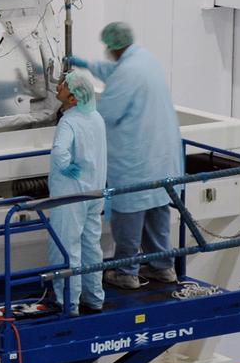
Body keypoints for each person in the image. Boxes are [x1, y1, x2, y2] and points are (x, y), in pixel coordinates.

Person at [67, 22, 183, 289]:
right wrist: (86, 65)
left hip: (135, 161)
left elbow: (106, 113)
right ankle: (163, 267)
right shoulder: (144, 60)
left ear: (113, 46)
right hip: (161, 158)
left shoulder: (128, 72)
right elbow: (114, 72)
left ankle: (126, 272)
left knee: (129, 217)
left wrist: (75, 115)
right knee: (157, 213)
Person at [47, 72, 107, 315]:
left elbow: (59, 151)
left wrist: (65, 167)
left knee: (66, 247)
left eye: (64, 85)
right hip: (95, 191)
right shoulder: (96, 117)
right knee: (91, 246)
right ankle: (94, 298)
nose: (58, 87)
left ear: (73, 98)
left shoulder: (69, 121)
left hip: (70, 195)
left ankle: (68, 303)